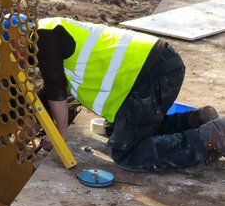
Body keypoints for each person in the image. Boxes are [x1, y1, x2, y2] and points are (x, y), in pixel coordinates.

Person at [36, 16, 225, 172]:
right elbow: (48, 90)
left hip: (151, 76)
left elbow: (56, 91)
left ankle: (209, 138)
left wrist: (59, 136)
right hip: (159, 65)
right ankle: (195, 120)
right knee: (120, 131)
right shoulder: (49, 27)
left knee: (127, 154)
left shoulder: (43, 40)